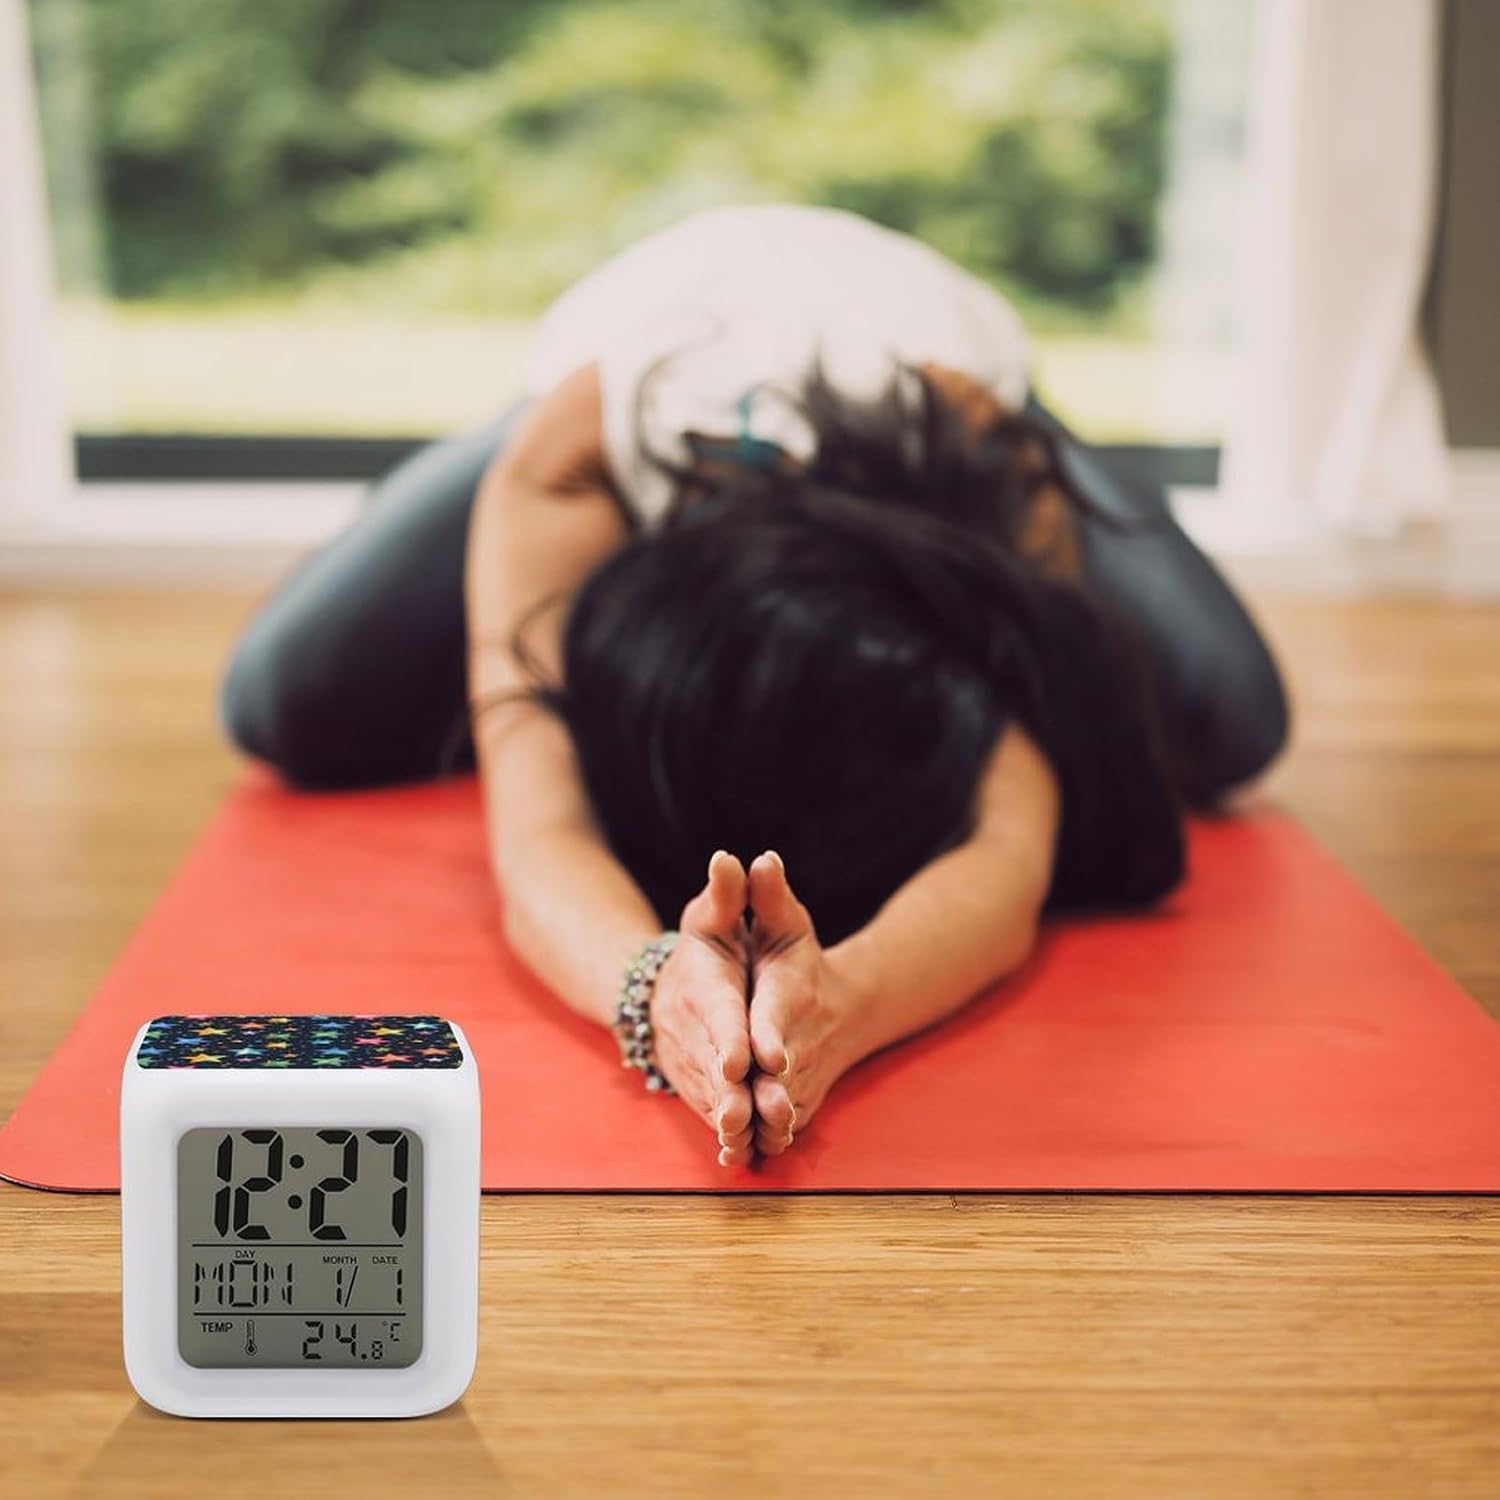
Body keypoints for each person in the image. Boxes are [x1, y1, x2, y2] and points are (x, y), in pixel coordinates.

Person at [220, 204, 1288, 1168]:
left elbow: (1013, 841)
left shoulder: (979, 468)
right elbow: (537, 824)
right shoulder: (573, 463)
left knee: (1230, 720)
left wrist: (840, 1008)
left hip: (938, 354)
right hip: (621, 345)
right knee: (281, 701)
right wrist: (653, 993)